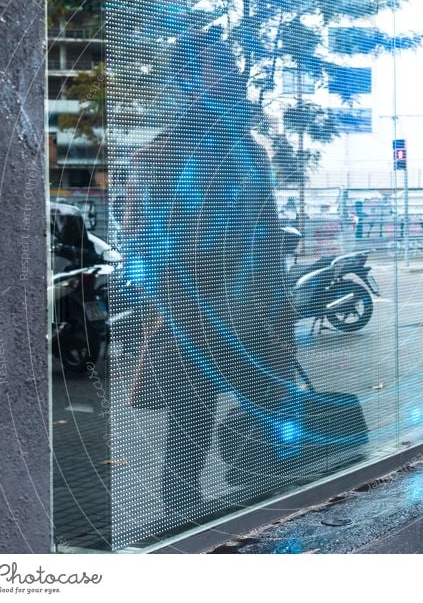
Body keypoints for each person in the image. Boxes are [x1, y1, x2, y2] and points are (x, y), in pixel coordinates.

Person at [122, 27, 297, 524]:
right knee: (190, 425)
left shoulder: (251, 152)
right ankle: (186, 518)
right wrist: (187, 305)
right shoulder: (159, 156)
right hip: (196, 323)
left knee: (267, 424)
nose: (233, 76)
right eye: (219, 65)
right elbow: (142, 251)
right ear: (189, 81)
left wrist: (277, 305)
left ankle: (260, 506)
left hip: (255, 320)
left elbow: (266, 242)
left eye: (232, 65)